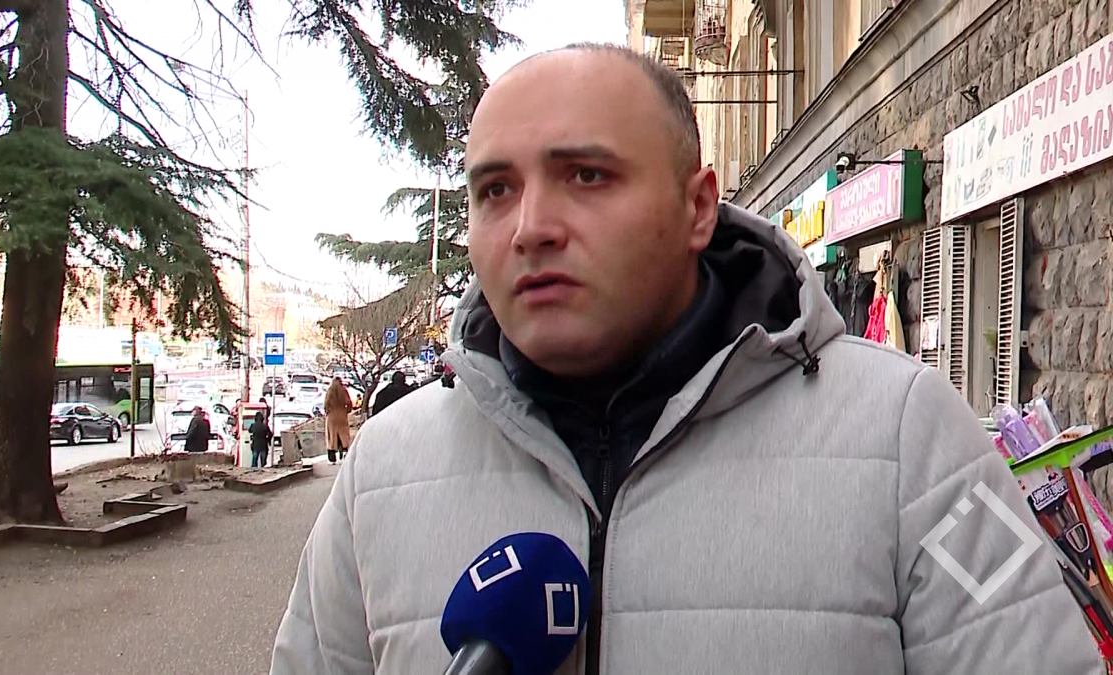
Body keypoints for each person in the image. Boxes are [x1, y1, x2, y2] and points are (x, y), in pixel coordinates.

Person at [271, 44, 1102, 674]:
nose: (531, 227)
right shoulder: (384, 470)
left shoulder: (907, 436)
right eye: (495, 190)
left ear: (698, 206)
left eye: (586, 175)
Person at [322, 377, 353, 465]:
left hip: (331, 416)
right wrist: (347, 411)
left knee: (332, 436)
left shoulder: (330, 391)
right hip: (342, 415)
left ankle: (332, 459)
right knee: (343, 435)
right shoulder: (343, 390)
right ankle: (344, 453)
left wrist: (327, 412)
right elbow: (349, 403)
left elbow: (326, 404)